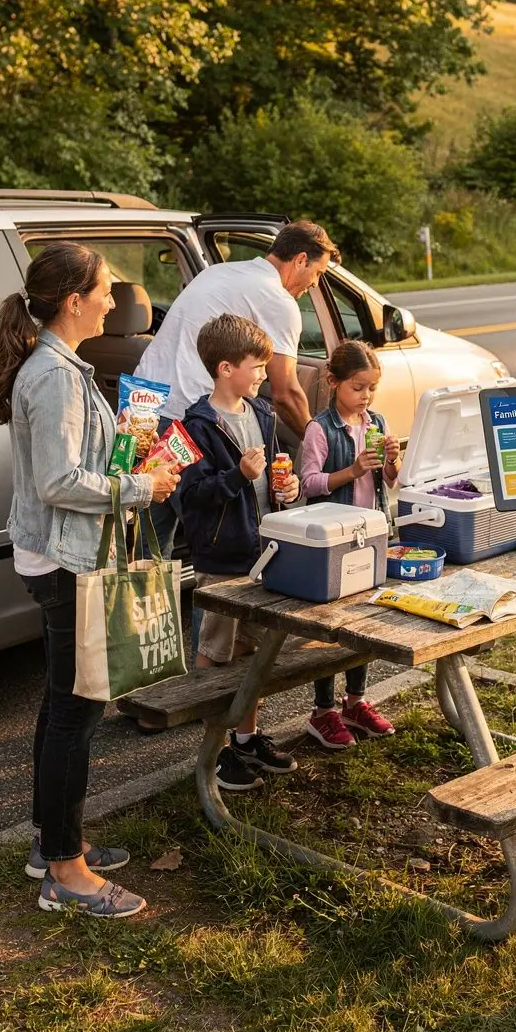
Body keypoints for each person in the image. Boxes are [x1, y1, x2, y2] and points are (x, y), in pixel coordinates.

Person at [0, 243, 180, 917]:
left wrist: (135, 454)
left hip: (62, 556)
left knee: (62, 702)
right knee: (78, 709)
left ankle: (53, 843)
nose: (112, 301)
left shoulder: (61, 367)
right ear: (74, 301)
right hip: (66, 563)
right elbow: (59, 481)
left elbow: (74, 462)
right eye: (104, 291)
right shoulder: (55, 375)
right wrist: (138, 487)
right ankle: (65, 873)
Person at [137, 219, 339, 558]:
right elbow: (285, 392)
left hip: (142, 410)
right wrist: (320, 440)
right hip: (190, 422)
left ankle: (139, 606)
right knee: (216, 540)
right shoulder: (279, 300)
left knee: (148, 543)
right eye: (317, 274)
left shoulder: (219, 273)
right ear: (300, 259)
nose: (314, 285)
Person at [178, 314, 301, 790]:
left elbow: (271, 484)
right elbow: (192, 496)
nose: (264, 375)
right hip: (220, 558)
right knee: (215, 650)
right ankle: (216, 752)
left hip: (261, 551)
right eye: (257, 366)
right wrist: (238, 477)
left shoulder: (262, 415)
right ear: (226, 367)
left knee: (254, 650)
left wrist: (282, 488)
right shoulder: (198, 425)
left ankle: (247, 740)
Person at [300, 340, 401, 750]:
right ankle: (323, 710)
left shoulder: (375, 422)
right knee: (328, 628)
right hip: (333, 537)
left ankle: (355, 701)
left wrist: (391, 460)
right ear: (333, 382)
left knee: (363, 622)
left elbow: (390, 481)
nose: (365, 397)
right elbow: (309, 484)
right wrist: (351, 469)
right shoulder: (319, 429)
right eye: (358, 388)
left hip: (370, 533)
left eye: (371, 388)